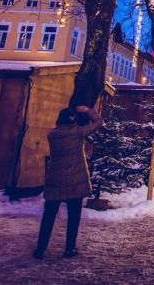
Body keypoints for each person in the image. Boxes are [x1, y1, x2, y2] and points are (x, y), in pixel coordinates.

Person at [33, 105, 103, 259]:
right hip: (75, 180)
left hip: (55, 179)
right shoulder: (77, 133)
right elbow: (98, 122)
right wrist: (88, 111)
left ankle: (40, 248)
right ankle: (69, 248)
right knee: (73, 215)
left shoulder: (53, 135)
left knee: (49, 215)